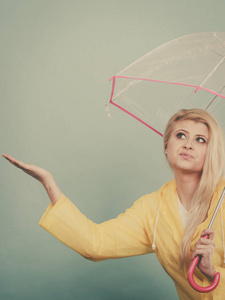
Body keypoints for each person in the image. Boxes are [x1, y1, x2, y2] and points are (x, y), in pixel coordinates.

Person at [2, 108, 225, 300]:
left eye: (200, 139)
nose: (188, 145)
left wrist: (212, 272)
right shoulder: (152, 209)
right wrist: (48, 183)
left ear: (211, 152)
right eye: (181, 135)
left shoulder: (222, 200)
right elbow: (94, 244)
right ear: (166, 146)